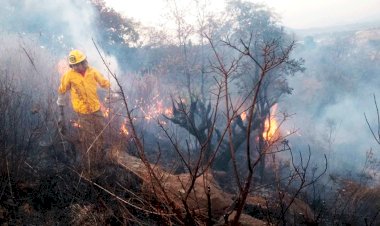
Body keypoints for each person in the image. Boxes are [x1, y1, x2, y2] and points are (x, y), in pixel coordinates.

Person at [57, 49, 110, 175]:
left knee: (101, 133)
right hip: (82, 112)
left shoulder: (93, 72)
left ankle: (100, 157)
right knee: (91, 138)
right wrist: (60, 107)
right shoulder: (69, 75)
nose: (77, 67)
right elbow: (62, 90)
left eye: (79, 64)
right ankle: (91, 168)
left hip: (96, 109)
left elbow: (104, 83)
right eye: (74, 65)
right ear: (71, 66)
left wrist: (112, 90)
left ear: (84, 62)